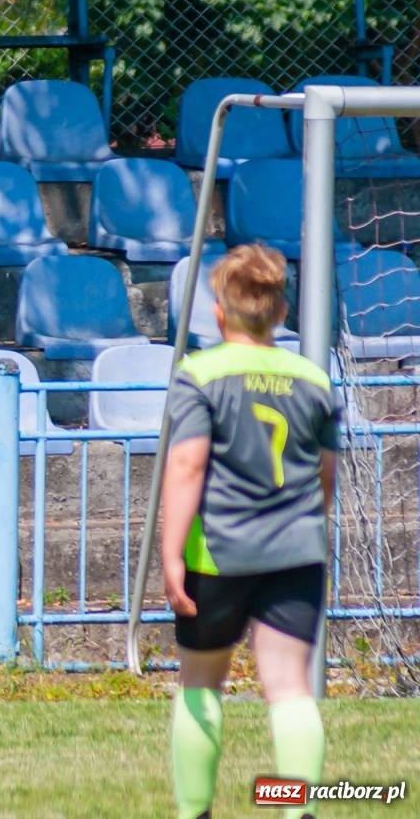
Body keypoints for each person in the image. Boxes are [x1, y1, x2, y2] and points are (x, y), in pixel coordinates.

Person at [162, 245, 339, 819]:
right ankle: (295, 810)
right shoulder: (313, 378)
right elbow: (324, 474)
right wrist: (306, 528)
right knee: (289, 688)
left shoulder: (199, 374)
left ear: (218, 313)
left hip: (219, 556)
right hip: (296, 554)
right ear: (281, 310)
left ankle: (196, 812)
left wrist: (170, 554)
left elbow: (187, 465)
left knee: (201, 685)